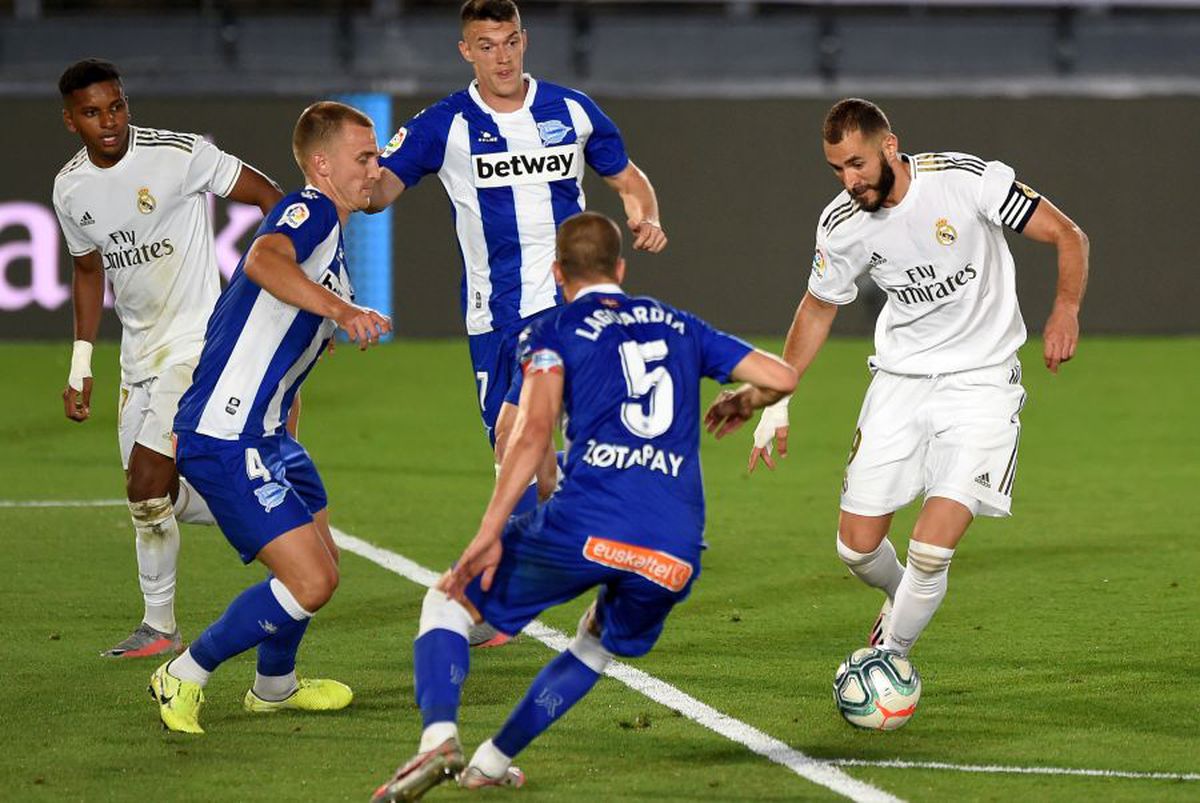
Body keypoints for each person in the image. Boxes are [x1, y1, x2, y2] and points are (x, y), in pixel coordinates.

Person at [370, 212, 796, 801]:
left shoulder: (552, 330)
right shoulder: (679, 324)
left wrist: (491, 530)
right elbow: (782, 374)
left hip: (588, 521)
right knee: (595, 644)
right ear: (620, 269)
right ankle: (491, 763)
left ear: (557, 273)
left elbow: (535, 430)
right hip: (675, 547)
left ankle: (437, 739)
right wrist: (746, 400)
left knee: (447, 600)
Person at [748, 98, 1088, 658]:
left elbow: (1069, 234)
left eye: (857, 164)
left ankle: (889, 659)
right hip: (899, 384)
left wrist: (1066, 309)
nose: (849, 180)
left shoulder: (966, 181)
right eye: (836, 168)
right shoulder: (842, 225)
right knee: (857, 548)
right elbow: (817, 307)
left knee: (931, 549)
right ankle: (902, 597)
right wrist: (778, 398)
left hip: (981, 383)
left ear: (889, 146)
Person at [147, 101, 392, 734]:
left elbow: (280, 344)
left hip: (270, 436)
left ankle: (274, 686)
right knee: (308, 581)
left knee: (323, 569)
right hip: (227, 436)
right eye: (363, 158)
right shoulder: (305, 209)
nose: (374, 169)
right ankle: (184, 673)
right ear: (321, 164)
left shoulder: (331, 238)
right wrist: (342, 311)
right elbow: (262, 259)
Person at [368, 0, 667, 502]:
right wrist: (339, 177)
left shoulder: (571, 109)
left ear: (524, 41)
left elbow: (628, 178)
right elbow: (377, 195)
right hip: (493, 314)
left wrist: (647, 215)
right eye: (487, 46)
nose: (502, 58)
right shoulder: (444, 125)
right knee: (527, 455)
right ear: (467, 51)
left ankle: (522, 564)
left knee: (515, 438)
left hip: (563, 303)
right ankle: (579, 530)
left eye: (510, 42)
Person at [52, 58, 284, 659]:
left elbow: (270, 199)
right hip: (139, 358)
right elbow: (85, 270)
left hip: (199, 346)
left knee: (147, 479)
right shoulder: (70, 188)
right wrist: (81, 366)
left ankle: (162, 628)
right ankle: (267, 506)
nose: (109, 122)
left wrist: (290, 295)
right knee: (149, 499)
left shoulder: (179, 155)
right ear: (70, 120)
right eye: (92, 113)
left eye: (117, 106)